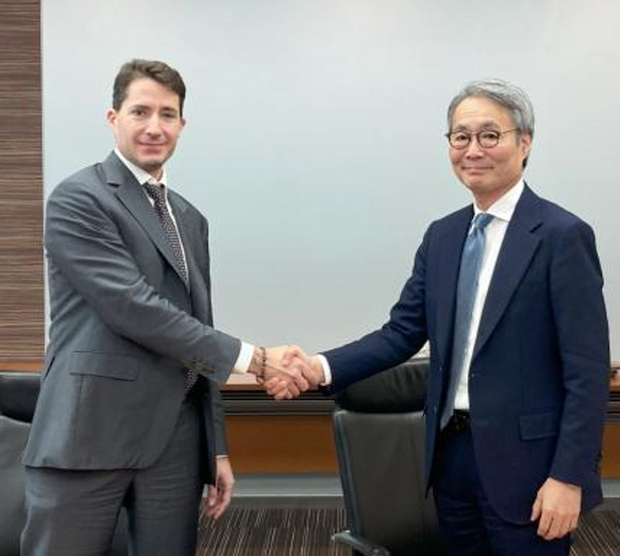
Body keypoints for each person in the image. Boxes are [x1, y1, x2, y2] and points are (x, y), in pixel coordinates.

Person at [277, 79, 610, 555]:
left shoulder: (561, 236)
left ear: (525, 142)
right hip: (451, 459)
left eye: (489, 135)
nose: (473, 150)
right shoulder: (443, 236)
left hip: (532, 468)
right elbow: (400, 333)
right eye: (460, 136)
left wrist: (569, 477)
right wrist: (317, 367)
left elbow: (587, 371)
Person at [21, 59, 310, 556]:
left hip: (174, 441)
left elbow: (198, 327)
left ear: (182, 124)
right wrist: (258, 360)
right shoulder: (79, 198)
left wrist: (215, 447)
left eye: (167, 114)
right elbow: (133, 307)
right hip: (90, 432)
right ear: (113, 118)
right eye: (140, 112)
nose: (154, 127)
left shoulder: (189, 219)